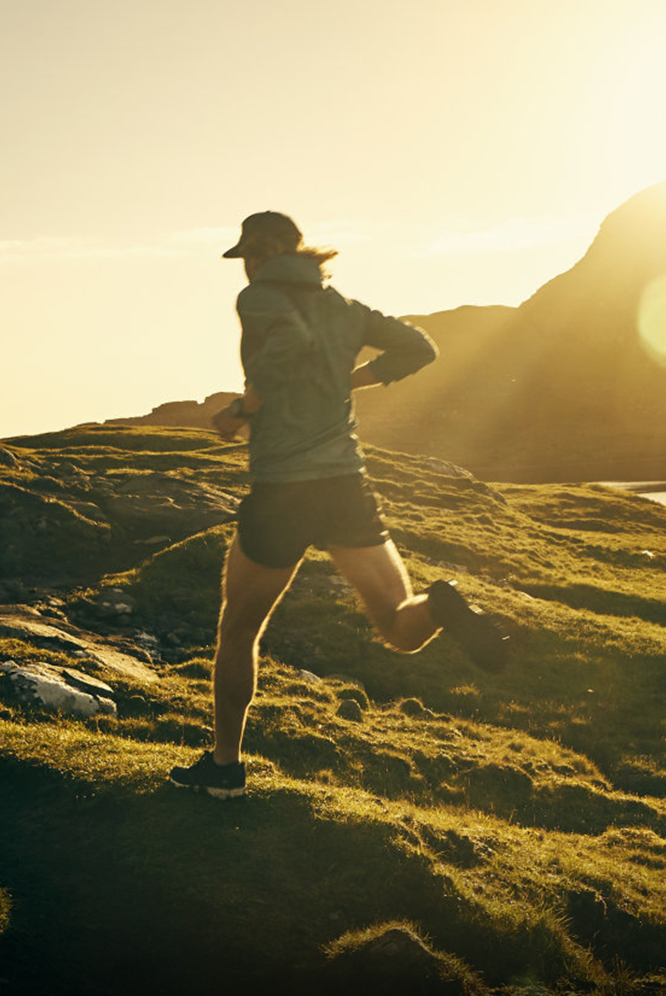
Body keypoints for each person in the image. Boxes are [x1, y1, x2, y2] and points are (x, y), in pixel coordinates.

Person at [169, 211, 508, 799]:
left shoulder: (257, 297)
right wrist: (347, 382)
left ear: (256, 254)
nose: (246, 266)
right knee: (400, 625)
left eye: (246, 256)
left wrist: (242, 412)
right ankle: (445, 608)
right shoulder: (345, 307)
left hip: (283, 490)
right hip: (345, 485)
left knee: (239, 629)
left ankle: (224, 767)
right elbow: (418, 347)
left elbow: (284, 352)